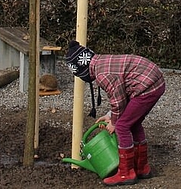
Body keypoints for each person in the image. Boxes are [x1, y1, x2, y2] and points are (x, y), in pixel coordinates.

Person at [66, 41, 166, 186]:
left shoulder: (102, 75)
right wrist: (109, 115)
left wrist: (113, 122)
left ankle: (126, 174)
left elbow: (118, 101)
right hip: (154, 82)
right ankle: (142, 168)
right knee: (133, 123)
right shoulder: (101, 62)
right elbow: (122, 95)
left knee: (122, 126)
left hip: (147, 87)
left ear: (82, 69)